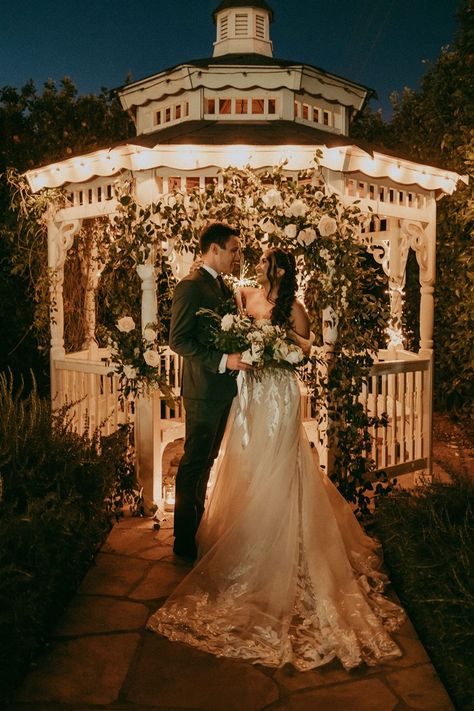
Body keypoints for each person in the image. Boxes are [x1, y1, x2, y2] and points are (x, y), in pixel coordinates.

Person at [148, 247, 405, 671]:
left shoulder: (297, 307)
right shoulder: (245, 296)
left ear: (280, 270)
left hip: (280, 391)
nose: (255, 266)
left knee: (283, 463)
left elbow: (307, 349)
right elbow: (220, 330)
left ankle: (287, 539)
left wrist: (285, 341)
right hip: (249, 391)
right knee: (248, 463)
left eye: (265, 262)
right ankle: (246, 533)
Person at [169, 222, 252, 561]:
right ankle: (183, 540)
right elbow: (178, 340)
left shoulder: (220, 287)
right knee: (194, 463)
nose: (236, 256)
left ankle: (197, 529)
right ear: (214, 249)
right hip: (203, 390)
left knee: (207, 460)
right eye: (232, 249)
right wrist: (222, 360)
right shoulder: (190, 287)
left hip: (222, 391)